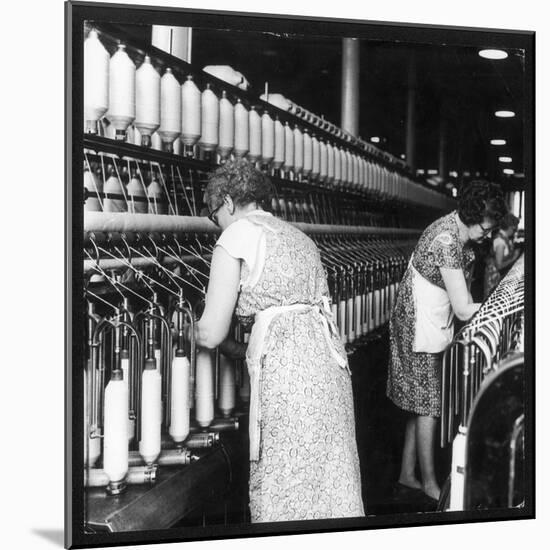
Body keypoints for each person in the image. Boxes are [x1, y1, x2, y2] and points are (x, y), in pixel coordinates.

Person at [193, 158, 365, 523]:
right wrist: (243, 348)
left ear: (226, 202)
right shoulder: (297, 235)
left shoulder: (236, 235)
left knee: (287, 483)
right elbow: (290, 316)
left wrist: (181, 331)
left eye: (213, 216)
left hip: (289, 382)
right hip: (329, 371)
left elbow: (210, 332)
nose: (216, 226)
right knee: (328, 483)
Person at [386, 179, 508, 505]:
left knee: (420, 402)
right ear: (472, 214)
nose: (489, 233)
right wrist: (499, 306)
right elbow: (465, 306)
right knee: (428, 405)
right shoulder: (446, 240)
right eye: (487, 226)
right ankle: (428, 482)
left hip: (431, 318)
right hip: (419, 324)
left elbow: (463, 298)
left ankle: (407, 475)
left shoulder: (460, 234)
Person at [484, 212, 521, 298]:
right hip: (494, 278)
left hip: (499, 276)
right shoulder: (500, 241)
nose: (515, 230)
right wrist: (514, 257)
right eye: (514, 228)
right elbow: (499, 266)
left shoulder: (505, 238)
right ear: (510, 227)